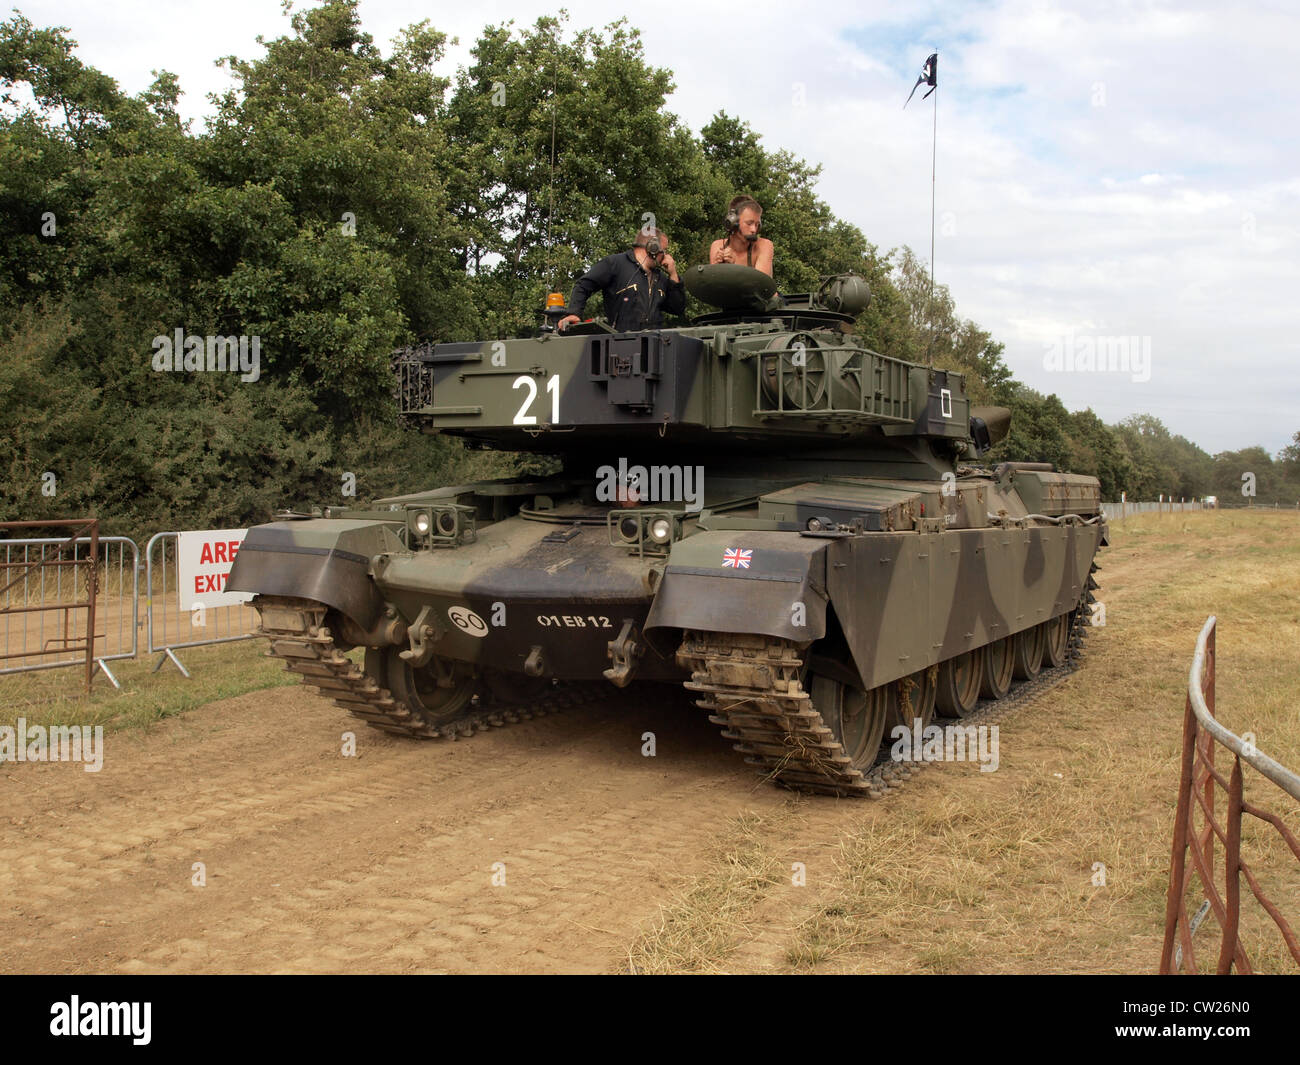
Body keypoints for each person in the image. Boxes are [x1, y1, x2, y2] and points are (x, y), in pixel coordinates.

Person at [557, 227, 684, 333]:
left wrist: (673, 275)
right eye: (664, 251)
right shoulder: (615, 264)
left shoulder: (660, 277)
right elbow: (583, 285)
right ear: (653, 248)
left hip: (654, 347)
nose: (666, 256)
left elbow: (677, 308)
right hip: (620, 345)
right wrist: (574, 312)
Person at [709, 195, 774, 276]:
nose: (754, 230)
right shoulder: (717, 246)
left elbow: (761, 285)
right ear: (733, 223)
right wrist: (716, 269)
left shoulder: (764, 246)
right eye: (749, 223)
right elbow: (714, 286)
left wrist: (735, 267)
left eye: (757, 224)